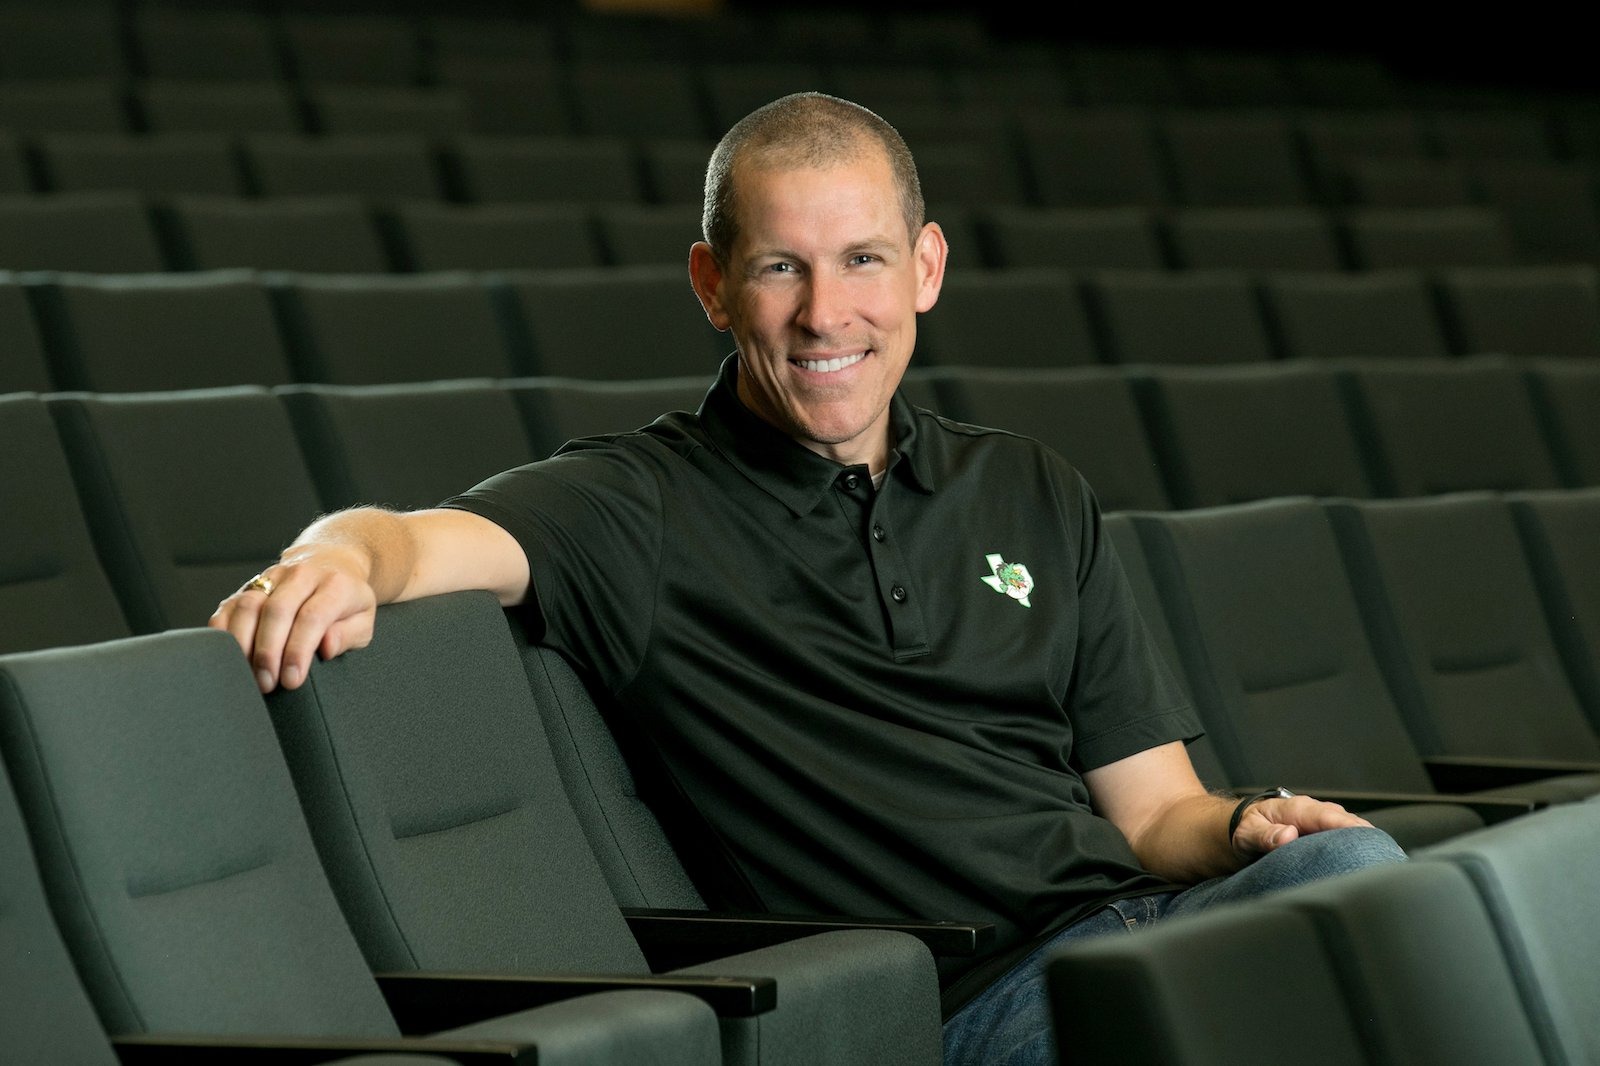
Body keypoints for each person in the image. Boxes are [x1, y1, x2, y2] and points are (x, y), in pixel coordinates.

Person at [212, 91, 1406, 1066]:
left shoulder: (1027, 485)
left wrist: (1245, 825)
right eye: (782, 267)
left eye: (862, 260)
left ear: (925, 268)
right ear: (712, 283)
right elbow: (421, 539)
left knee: (1355, 872)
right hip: (963, 1008)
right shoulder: (640, 505)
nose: (826, 314)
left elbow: (1151, 816)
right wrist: (337, 556)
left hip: (1140, 931)